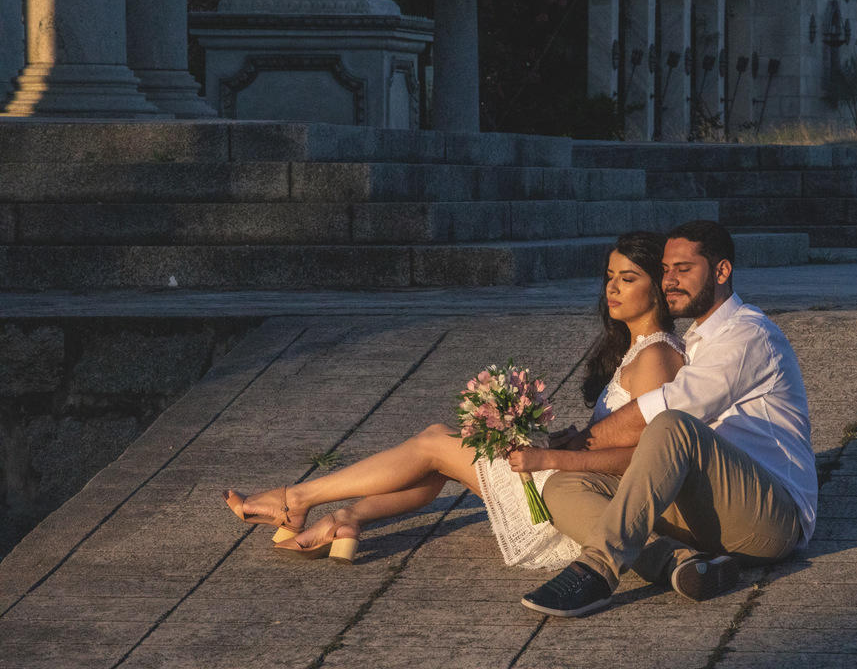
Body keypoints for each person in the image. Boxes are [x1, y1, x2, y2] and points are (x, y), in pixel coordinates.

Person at [221, 231, 685, 566]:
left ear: (658, 288)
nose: (611, 288)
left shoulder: (657, 356)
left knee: (434, 445)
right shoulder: (639, 350)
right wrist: (562, 440)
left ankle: (297, 498)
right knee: (442, 444)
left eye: (627, 278)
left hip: (581, 505)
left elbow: (648, 458)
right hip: (574, 480)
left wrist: (555, 457)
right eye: (609, 276)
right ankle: (346, 517)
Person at [519, 220, 817, 618]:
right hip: (708, 508)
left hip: (770, 518)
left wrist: (580, 443)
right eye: (665, 270)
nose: (670, 281)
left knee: (672, 423)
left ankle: (598, 570)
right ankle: (682, 564)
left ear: (721, 271)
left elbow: (666, 410)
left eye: (684, 269)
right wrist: (566, 455)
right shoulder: (696, 340)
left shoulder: (748, 336)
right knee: (561, 488)